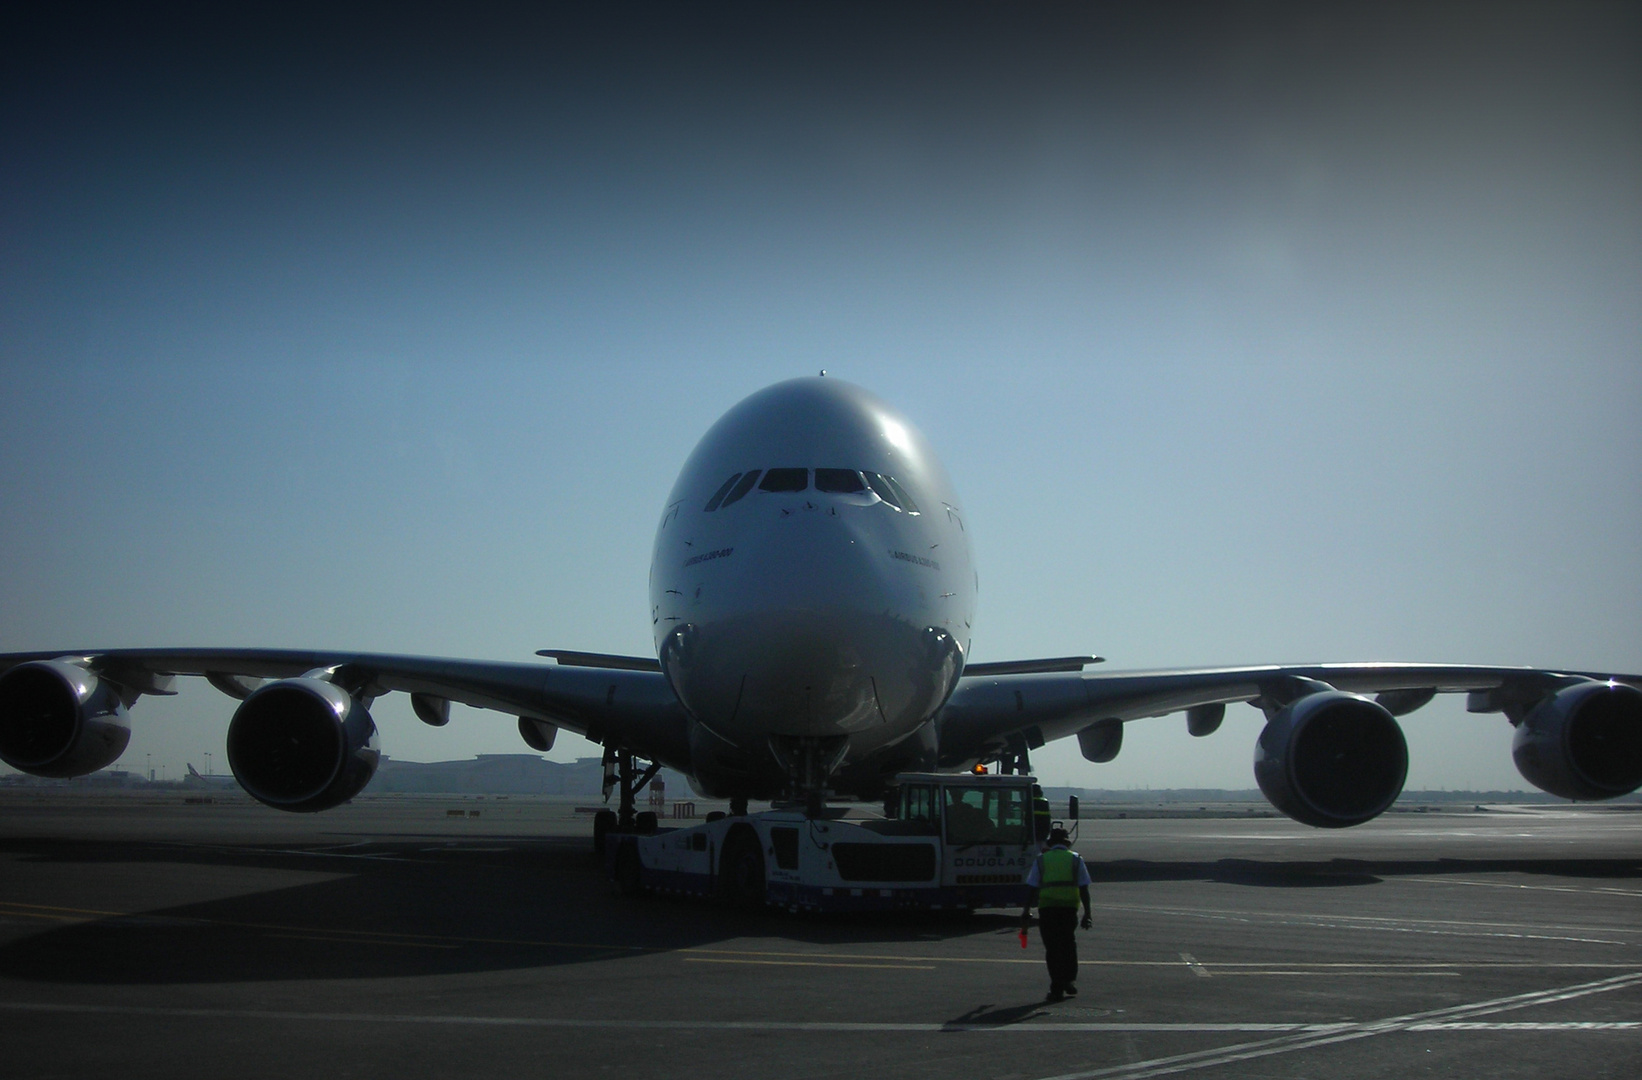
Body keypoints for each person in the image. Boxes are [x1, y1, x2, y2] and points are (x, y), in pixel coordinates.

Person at [1020, 826, 1092, 1002]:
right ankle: (1069, 980)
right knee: (1068, 945)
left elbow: (1032, 888)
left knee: (1052, 949)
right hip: (1069, 909)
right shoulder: (1076, 859)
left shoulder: (1041, 860)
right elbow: (1084, 888)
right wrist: (1087, 914)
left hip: (1048, 908)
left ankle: (1056, 987)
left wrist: (1026, 910)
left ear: (1051, 843)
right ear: (1067, 842)